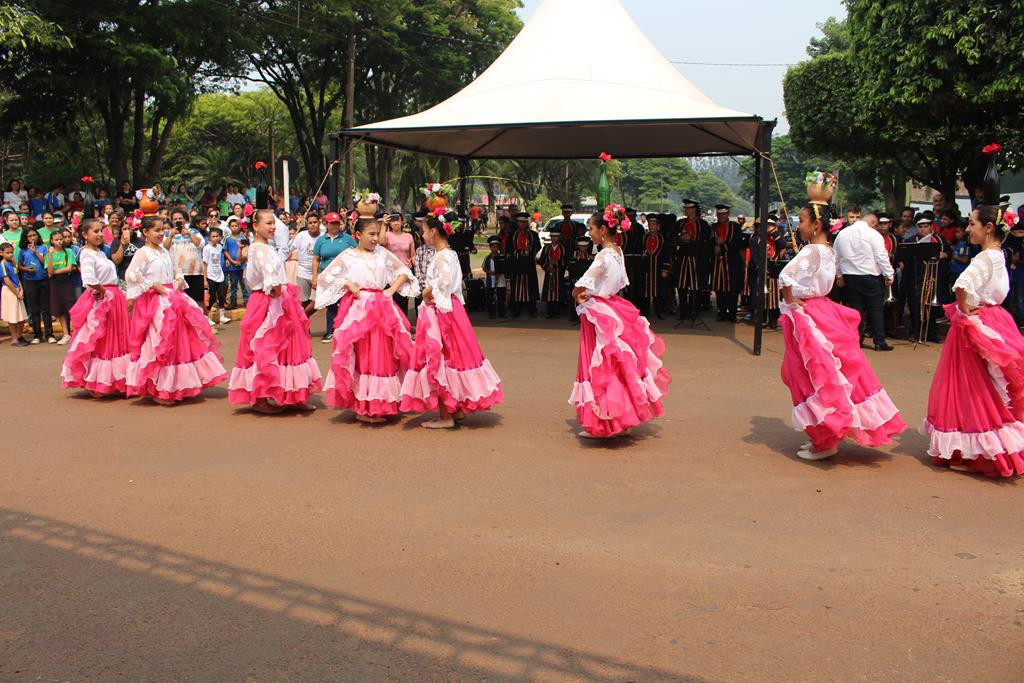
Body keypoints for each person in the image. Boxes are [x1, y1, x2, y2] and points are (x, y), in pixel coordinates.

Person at [779, 201, 906, 461]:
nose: (798, 226)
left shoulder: (812, 251)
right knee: (833, 372)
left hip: (810, 316)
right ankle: (826, 433)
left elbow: (784, 277)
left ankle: (825, 438)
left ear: (816, 225)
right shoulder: (827, 249)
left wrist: (791, 301)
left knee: (813, 375)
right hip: (825, 311)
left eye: (801, 221)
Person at [922, 203, 1024, 477]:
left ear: (988, 228)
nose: (968, 229)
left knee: (969, 384)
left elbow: (961, 285)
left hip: (978, 323)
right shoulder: (998, 254)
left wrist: (964, 309)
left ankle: (974, 444)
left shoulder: (984, 258)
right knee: (991, 382)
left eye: (972, 224)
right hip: (994, 320)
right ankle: (989, 443)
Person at [570, 206, 671, 439]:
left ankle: (604, 421)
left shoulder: (603, 255)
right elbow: (621, 281)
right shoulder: (618, 251)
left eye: (591, 229)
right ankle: (624, 417)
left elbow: (585, 281)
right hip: (614, 307)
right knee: (619, 364)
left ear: (603, 230)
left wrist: (577, 293)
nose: (590, 234)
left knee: (600, 364)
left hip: (599, 312)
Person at [400, 215, 502, 428]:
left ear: (434, 232)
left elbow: (445, 282)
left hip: (441, 312)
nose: (423, 235)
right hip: (450, 310)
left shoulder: (442, 256)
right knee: (454, 356)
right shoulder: (450, 254)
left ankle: (446, 415)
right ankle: (456, 409)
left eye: (425, 231)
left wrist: (428, 290)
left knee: (440, 358)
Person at [314, 217, 418, 423]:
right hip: (358, 310)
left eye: (377, 234)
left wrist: (391, 289)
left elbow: (404, 272)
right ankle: (363, 406)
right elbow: (326, 277)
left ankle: (380, 403)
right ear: (358, 236)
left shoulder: (382, 253)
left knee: (382, 354)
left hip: (382, 309)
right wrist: (348, 284)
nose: (375, 239)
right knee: (361, 354)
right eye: (371, 234)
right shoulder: (349, 256)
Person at [124, 216, 227, 404]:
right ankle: (159, 387)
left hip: (172, 298)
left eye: (162, 229)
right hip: (155, 302)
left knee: (178, 341)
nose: (160, 233)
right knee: (159, 342)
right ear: (145, 232)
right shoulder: (143, 252)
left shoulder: (164, 250)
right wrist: (153, 285)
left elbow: (176, 269)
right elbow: (131, 274)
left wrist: (179, 279)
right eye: (156, 230)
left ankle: (176, 384)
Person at [228, 209, 321, 413]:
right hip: (268, 301)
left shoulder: (264, 247)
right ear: (256, 226)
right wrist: (280, 293)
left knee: (288, 347)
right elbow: (270, 279)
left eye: (274, 223)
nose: (272, 227)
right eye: (268, 223)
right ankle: (261, 398)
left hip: (279, 300)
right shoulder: (259, 249)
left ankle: (294, 394)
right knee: (266, 346)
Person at [60, 219, 130, 395]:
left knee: (114, 339)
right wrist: (103, 291)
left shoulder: (99, 252)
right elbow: (89, 279)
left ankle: (112, 379)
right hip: (101, 301)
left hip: (113, 298)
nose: (99, 234)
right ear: (84, 235)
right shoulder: (86, 254)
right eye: (95, 231)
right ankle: (95, 380)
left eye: (101, 231)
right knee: (99, 340)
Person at [834, 216, 895, 351]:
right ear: (873, 223)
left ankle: (858, 339)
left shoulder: (842, 233)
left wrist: (839, 275)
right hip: (871, 276)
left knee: (857, 310)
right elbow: (881, 256)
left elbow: (836, 256)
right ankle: (879, 341)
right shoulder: (873, 234)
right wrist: (889, 274)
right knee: (876, 311)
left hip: (850, 276)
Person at [311, 211, 358, 342]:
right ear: (326, 224)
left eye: (337, 223)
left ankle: (346, 329)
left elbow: (357, 253)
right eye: (332, 223)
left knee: (345, 303)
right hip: (327, 277)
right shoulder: (321, 241)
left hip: (344, 277)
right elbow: (316, 259)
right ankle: (331, 330)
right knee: (330, 304)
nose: (335, 226)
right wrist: (314, 277)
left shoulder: (348, 238)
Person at [673, 199, 712, 320]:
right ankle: (683, 311)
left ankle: (694, 310)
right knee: (682, 286)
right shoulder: (680, 223)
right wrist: (681, 239)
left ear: (694, 209)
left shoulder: (703, 224)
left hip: (697, 259)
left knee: (695, 286)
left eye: (689, 208)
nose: (687, 210)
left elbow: (707, 243)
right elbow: (673, 239)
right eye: (686, 208)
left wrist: (692, 242)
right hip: (683, 258)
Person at [710, 204, 747, 322]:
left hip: (732, 262)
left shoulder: (735, 226)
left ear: (728, 214)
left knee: (733, 288)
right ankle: (721, 312)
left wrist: (723, 246)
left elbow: (738, 243)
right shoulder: (713, 227)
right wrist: (714, 244)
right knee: (719, 289)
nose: (721, 216)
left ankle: (732, 313)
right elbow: (708, 242)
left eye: (724, 214)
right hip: (717, 263)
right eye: (719, 214)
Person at [18, 228, 54, 343]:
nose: (33, 238)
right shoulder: (22, 250)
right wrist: (25, 269)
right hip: (29, 281)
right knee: (34, 309)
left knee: (46, 308)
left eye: (34, 235)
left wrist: (35, 252)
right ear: (25, 238)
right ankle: (37, 335)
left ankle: (49, 334)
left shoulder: (43, 247)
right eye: (30, 236)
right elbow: (20, 266)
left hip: (43, 279)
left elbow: (45, 263)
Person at [378, 212, 416, 318]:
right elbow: (381, 242)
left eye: (398, 220)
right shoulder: (387, 235)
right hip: (391, 273)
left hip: (404, 272)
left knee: (403, 300)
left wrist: (417, 269)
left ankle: (404, 326)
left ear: (402, 222)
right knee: (391, 301)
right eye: (393, 220)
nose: (395, 223)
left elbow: (412, 255)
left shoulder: (408, 236)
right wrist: (383, 224)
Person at [46, 229, 77, 345]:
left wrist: (55, 271)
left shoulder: (68, 251)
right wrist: (49, 255)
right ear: (52, 241)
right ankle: (66, 334)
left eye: (60, 239)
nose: (59, 241)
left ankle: (76, 332)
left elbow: (69, 268)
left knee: (71, 307)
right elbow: (49, 271)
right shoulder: (50, 254)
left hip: (66, 281)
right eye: (56, 240)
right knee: (60, 310)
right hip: (55, 283)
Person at [508, 212, 541, 317]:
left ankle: (532, 309)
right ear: (517, 222)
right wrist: (517, 252)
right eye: (520, 222)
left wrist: (530, 250)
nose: (522, 224)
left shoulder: (533, 234)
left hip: (528, 263)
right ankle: (516, 308)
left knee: (530, 284)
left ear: (527, 222)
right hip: (517, 263)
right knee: (516, 284)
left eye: (524, 222)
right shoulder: (512, 234)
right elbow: (508, 248)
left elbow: (537, 246)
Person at [289, 212, 321, 315]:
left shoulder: (324, 237)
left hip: (319, 274)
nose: (313, 224)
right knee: (304, 302)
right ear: (307, 224)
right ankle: (305, 329)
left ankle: (300, 319)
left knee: (318, 302)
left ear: (319, 223)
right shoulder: (301, 235)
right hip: (302, 273)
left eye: (315, 222)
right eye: (310, 222)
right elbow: (289, 248)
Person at [1, 242, 29, 346]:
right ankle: (14, 338)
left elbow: (17, 277)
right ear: (1, 253)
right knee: (12, 316)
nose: (10, 255)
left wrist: (21, 289)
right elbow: (7, 281)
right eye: (7, 253)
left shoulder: (12, 263)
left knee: (21, 315)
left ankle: (19, 335)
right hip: (10, 291)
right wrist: (17, 293)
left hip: (17, 289)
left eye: (11, 252)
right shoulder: (3, 264)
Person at [538, 223, 568, 318]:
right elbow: (541, 260)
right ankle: (549, 312)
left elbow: (566, 261)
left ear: (559, 237)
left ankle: (557, 311)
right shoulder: (547, 248)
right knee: (549, 292)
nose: (554, 238)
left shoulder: (563, 248)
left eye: (556, 237)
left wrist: (558, 265)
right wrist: (547, 266)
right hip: (549, 272)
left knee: (558, 291)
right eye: (552, 236)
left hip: (558, 273)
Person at [202, 227, 231, 327]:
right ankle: (208, 317)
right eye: (213, 236)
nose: (215, 238)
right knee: (212, 297)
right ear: (209, 238)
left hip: (219, 274)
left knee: (221, 296)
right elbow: (205, 263)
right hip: (210, 275)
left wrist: (226, 261)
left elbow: (221, 258)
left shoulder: (220, 247)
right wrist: (205, 278)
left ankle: (222, 316)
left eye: (217, 236)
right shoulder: (206, 248)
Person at [223, 217, 248, 309]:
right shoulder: (227, 239)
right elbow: (225, 251)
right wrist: (232, 261)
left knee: (243, 283)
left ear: (239, 226)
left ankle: (246, 301)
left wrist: (241, 261)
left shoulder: (243, 238)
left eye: (236, 226)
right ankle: (233, 301)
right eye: (232, 226)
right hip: (232, 265)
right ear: (229, 227)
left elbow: (246, 250)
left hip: (242, 265)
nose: (234, 227)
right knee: (233, 284)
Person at [483, 236, 507, 318]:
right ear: (490, 247)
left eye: (496, 246)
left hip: (501, 281)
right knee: (491, 298)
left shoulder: (502, 257)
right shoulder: (487, 258)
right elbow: (484, 268)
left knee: (501, 298)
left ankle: (502, 312)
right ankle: (491, 313)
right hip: (491, 281)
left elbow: (505, 267)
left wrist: (499, 273)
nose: (495, 248)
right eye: (493, 246)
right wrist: (492, 273)